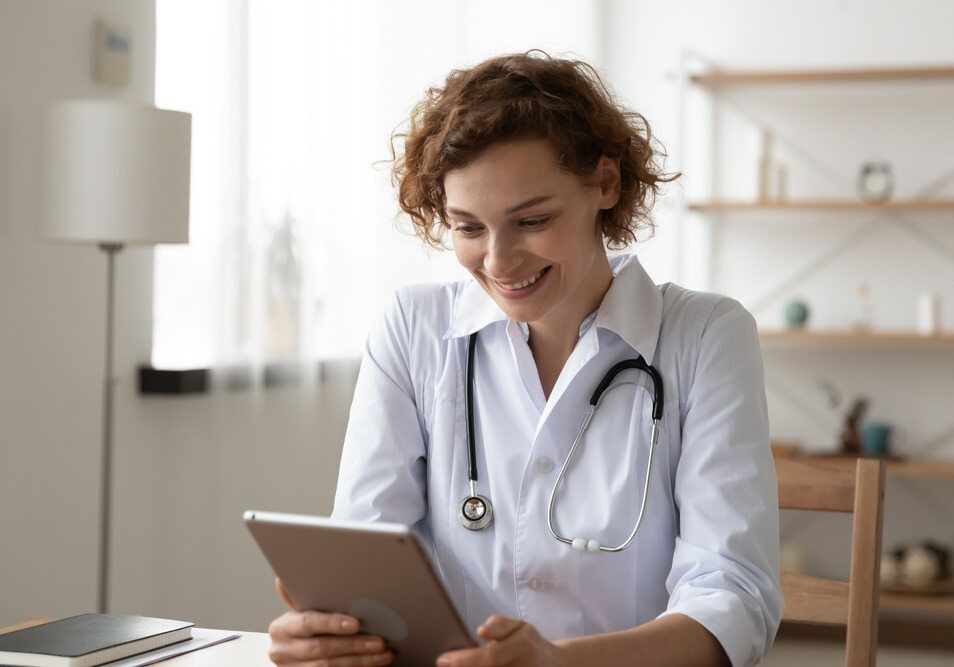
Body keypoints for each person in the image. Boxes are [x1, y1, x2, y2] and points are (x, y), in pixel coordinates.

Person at [267, 50, 782, 667]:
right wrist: (332, 631)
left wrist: (562, 663)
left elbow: (733, 599)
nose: (499, 262)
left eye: (532, 220)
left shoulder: (705, 336)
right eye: (468, 228)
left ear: (606, 185)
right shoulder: (415, 328)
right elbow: (370, 559)